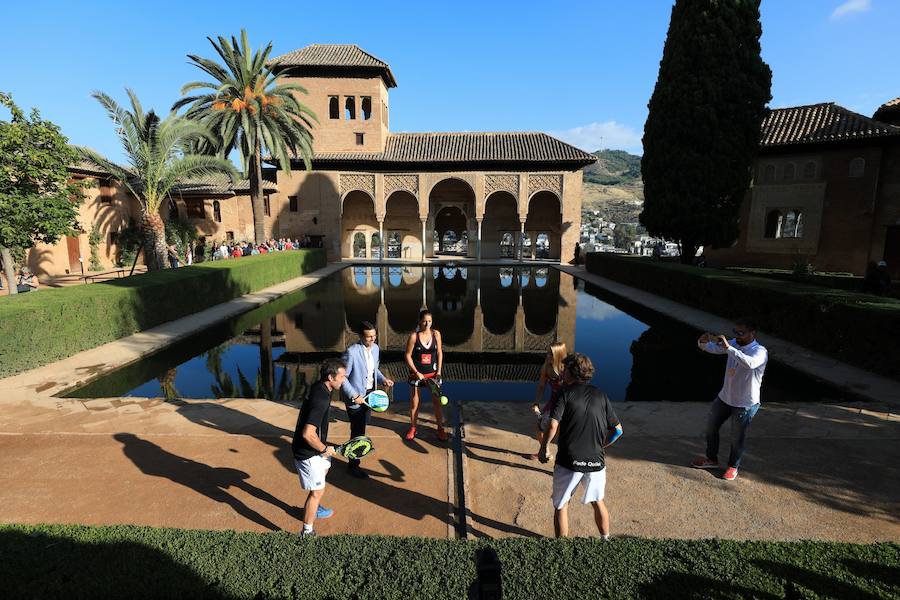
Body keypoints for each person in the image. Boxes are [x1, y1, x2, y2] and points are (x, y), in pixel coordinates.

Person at [539, 353, 623, 539]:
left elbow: (553, 425)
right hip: (596, 461)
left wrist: (543, 448)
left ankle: (562, 548)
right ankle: (605, 539)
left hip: (569, 460)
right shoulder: (601, 395)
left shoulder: (564, 393)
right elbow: (618, 430)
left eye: (565, 368)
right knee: (598, 502)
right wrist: (602, 446)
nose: (562, 372)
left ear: (572, 371)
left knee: (561, 505)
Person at [692, 318, 768, 481]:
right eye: (736, 332)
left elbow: (749, 363)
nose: (738, 336)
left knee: (736, 437)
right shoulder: (734, 343)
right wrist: (703, 343)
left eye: (742, 333)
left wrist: (728, 347)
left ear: (752, 333)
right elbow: (713, 348)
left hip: (745, 404)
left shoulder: (760, 351)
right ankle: (711, 459)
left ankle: (733, 466)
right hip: (725, 397)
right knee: (711, 428)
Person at [292, 358, 347, 538]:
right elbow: (308, 434)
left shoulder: (320, 386)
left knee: (325, 469)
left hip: (314, 448)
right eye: (341, 377)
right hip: (308, 451)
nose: (343, 380)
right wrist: (324, 449)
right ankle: (307, 531)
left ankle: (315, 506)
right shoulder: (321, 398)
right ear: (331, 377)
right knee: (317, 492)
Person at [340, 321, 394, 478]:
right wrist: (354, 395)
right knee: (358, 431)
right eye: (369, 337)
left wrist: (383, 379)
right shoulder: (351, 352)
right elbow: (342, 377)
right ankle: (353, 465)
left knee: (364, 424)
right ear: (360, 336)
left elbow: (374, 369)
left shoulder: (376, 349)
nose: (372, 339)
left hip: (371, 395)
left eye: (374, 336)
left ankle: (353, 449)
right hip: (355, 397)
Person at [404, 308, 446, 441]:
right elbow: (408, 355)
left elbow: (439, 352)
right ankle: (413, 428)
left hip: (432, 375)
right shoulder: (414, 337)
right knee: (415, 403)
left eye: (429, 321)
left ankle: (440, 429)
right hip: (416, 376)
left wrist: (438, 372)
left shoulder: (436, 334)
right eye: (424, 322)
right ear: (419, 322)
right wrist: (416, 372)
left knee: (437, 402)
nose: (427, 324)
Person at [530, 341, 567, 460]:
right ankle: (544, 450)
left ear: (558, 355)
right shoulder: (546, 367)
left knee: (563, 433)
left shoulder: (567, 370)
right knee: (539, 427)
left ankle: (564, 460)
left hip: (567, 403)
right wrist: (536, 402)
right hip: (554, 401)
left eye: (551, 354)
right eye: (547, 353)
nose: (548, 356)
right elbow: (541, 386)